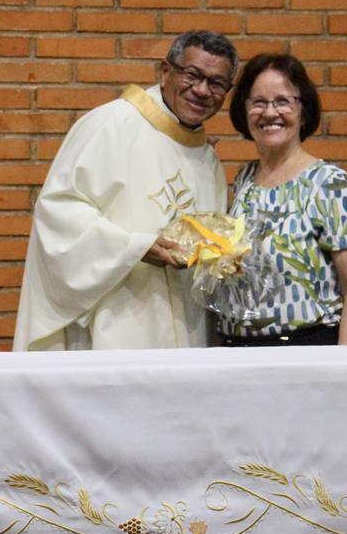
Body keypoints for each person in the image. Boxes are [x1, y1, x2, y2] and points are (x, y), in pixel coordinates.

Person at [13, 30, 238, 350]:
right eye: (192, 75)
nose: (202, 90)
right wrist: (135, 248)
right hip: (114, 322)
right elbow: (58, 213)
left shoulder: (206, 159)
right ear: (165, 71)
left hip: (185, 330)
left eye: (216, 83)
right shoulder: (110, 125)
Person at [219, 53, 347, 346]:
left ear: (303, 112)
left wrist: (345, 366)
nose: (270, 113)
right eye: (258, 102)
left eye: (283, 101)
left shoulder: (331, 185)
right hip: (239, 348)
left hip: (307, 349)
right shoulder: (245, 180)